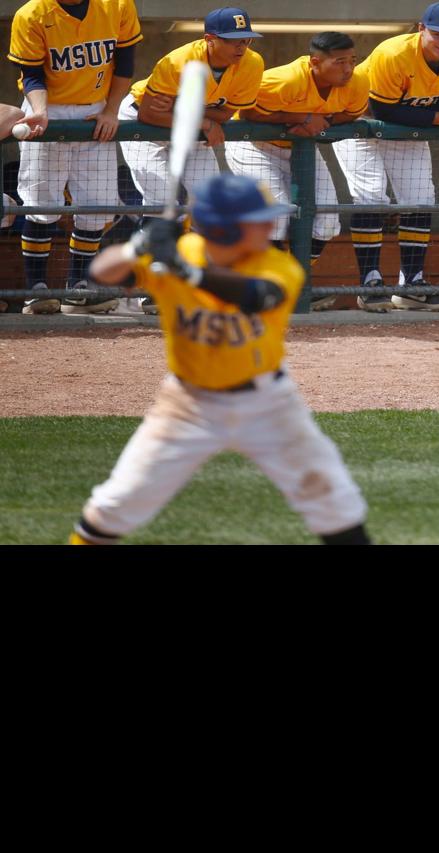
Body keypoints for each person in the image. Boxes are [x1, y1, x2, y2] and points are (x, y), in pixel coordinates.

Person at [71, 173, 371, 546]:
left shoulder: (277, 265)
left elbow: (259, 297)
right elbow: (101, 273)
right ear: (226, 230)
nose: (269, 225)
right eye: (257, 219)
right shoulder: (182, 253)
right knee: (114, 505)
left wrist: (188, 273)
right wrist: (138, 247)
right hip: (186, 405)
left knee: (335, 502)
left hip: (269, 404)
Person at [118, 7, 265, 315]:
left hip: (185, 125)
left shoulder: (252, 64)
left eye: (246, 39)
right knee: (160, 202)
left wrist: (190, 114)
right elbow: (149, 114)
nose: (242, 46)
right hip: (145, 128)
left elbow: (225, 115)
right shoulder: (179, 61)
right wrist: (204, 121)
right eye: (233, 40)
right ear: (210, 39)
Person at [335, 2, 439, 311]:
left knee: (420, 199)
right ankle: (370, 283)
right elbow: (385, 110)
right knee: (371, 198)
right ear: (420, 28)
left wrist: (435, 114)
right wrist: (438, 118)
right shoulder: (394, 53)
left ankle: (412, 284)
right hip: (360, 123)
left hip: (408, 130)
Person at [7, 0, 144, 315]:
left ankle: (77, 287)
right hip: (48, 109)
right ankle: (37, 290)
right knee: (42, 203)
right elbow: (32, 74)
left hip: (97, 110)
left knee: (97, 206)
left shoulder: (117, 5)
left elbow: (125, 63)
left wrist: (111, 110)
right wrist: (40, 111)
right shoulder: (31, 14)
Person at [230, 31, 368, 311]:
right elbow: (248, 113)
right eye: (339, 62)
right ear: (315, 63)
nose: (348, 69)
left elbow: (351, 114)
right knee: (277, 216)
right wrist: (300, 117)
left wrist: (322, 121)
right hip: (256, 147)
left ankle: (294, 282)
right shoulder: (285, 79)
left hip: (301, 148)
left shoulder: (357, 82)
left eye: (352, 60)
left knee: (328, 217)